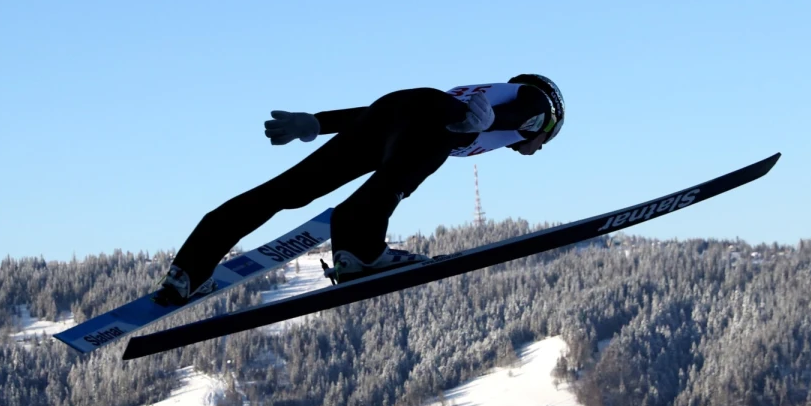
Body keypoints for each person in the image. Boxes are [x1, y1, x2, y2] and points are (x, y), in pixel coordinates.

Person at [154, 75, 565, 304]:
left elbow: (399, 111)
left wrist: (317, 121)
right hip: (429, 119)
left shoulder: (489, 100)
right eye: (547, 140)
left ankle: (190, 269)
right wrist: (493, 118)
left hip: (395, 109)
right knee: (394, 181)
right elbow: (530, 109)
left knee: (287, 189)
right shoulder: (535, 110)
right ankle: (359, 252)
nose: (538, 148)